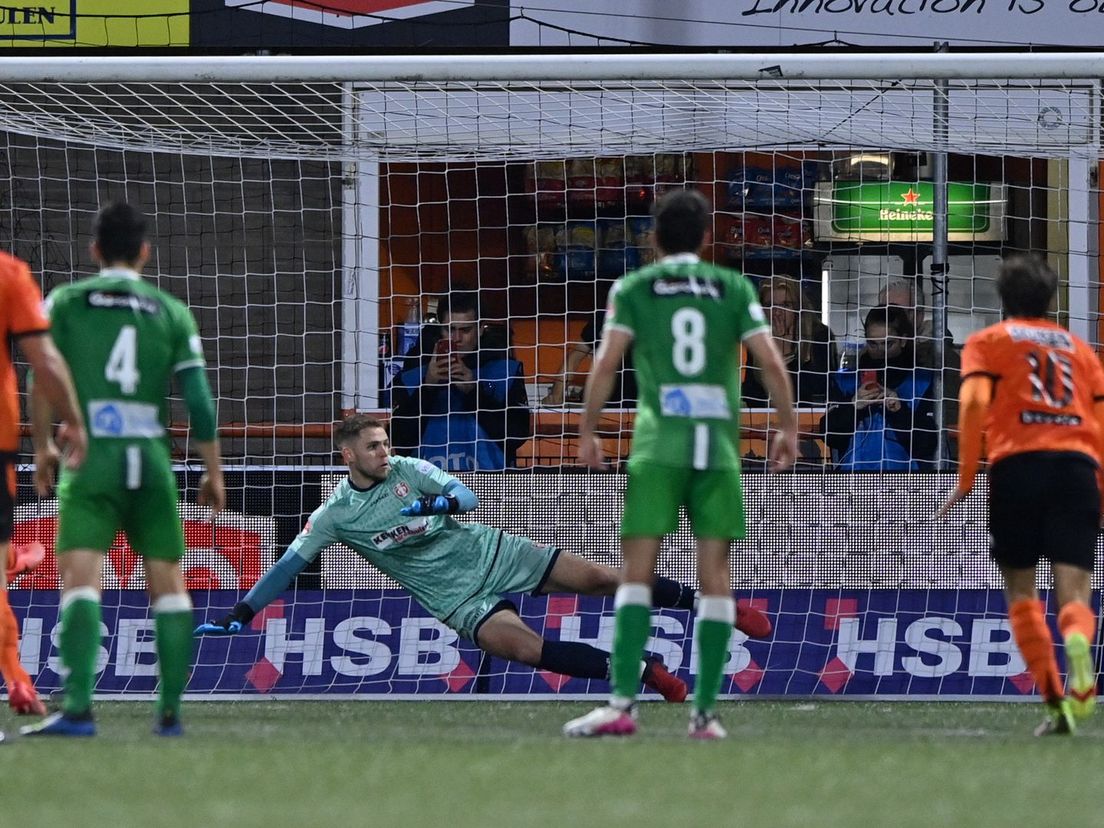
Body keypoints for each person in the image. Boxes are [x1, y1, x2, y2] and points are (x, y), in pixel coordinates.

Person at [194, 413, 775, 702]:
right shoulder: (334, 517)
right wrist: (242, 613)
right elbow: (287, 568)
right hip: (456, 596)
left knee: (603, 577)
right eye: (371, 445)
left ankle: (715, 605)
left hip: (493, 554)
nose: (383, 450)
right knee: (526, 649)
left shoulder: (408, 472)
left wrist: (437, 506)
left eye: (384, 442)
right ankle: (647, 674)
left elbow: (467, 496)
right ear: (345, 454)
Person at [563, 189, 798, 740]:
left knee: (637, 578)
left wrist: (588, 430)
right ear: (707, 238)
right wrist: (786, 428)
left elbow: (605, 363)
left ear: (654, 237)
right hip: (717, 453)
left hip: (659, 450)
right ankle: (706, 715)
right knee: (715, 580)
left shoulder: (635, 288)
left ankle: (622, 705)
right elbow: (769, 360)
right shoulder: (735, 287)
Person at [21, 202, 225, 738]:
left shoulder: (66, 301)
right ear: (144, 252)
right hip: (150, 460)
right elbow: (200, 403)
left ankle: (82, 709)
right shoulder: (171, 311)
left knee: (81, 582)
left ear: (94, 250)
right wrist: (213, 471)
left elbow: (42, 375)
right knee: (170, 585)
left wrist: (41, 445)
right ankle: (170, 714)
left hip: (91, 460)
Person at [937, 254, 1102, 736]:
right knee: (1073, 590)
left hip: (1017, 467)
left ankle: (1054, 702)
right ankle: (1078, 650)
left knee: (1022, 591)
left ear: (1003, 299)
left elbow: (972, 403)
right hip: (1076, 467)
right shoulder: (1079, 349)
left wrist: (967, 476)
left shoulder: (987, 342)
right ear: (1051, 301)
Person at [0, 253, 86, 730]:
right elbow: (42, 359)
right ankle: (16, 677)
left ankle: (17, 676)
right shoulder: (9, 273)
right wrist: (66, 427)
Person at [391, 290, 532, 470]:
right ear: (439, 329)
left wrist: (474, 393)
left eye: (465, 330)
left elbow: (516, 436)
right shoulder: (412, 375)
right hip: (427, 486)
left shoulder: (504, 372)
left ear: (480, 329)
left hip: (489, 483)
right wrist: (427, 389)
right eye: (449, 329)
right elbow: (399, 441)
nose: (456, 339)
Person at [823, 305, 937, 472]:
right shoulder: (847, 381)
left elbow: (927, 445)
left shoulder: (922, 381)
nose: (880, 351)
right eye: (873, 344)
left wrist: (899, 411)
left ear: (903, 340)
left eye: (887, 344)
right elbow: (830, 436)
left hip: (905, 483)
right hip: (853, 481)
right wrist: (854, 406)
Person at [740, 275, 836, 407]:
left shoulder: (820, 336)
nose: (777, 313)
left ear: (797, 308)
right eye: (770, 305)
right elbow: (752, 395)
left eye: (785, 305)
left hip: (812, 417)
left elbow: (817, 390)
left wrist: (783, 347)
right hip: (765, 420)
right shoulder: (757, 338)